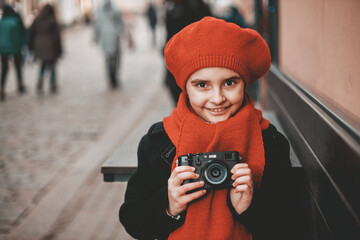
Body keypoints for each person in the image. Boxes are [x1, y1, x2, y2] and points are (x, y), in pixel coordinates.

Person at [119, 17, 303, 239]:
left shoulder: (269, 142)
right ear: (185, 88)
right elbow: (133, 220)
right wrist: (169, 205)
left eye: (229, 82)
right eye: (202, 85)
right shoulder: (159, 142)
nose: (217, 98)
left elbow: (291, 226)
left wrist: (249, 207)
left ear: (245, 83)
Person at [163, 0, 212, 105]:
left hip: (194, 59)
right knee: (175, 90)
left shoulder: (197, 6)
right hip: (175, 58)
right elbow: (169, 33)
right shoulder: (170, 7)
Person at [29, 4, 62, 94]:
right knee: (52, 66)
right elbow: (57, 37)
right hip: (50, 46)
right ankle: (53, 84)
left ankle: (40, 83)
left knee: (43, 65)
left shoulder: (37, 19)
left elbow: (31, 32)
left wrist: (32, 47)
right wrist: (59, 50)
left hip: (39, 45)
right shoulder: (52, 20)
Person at [94, 0, 127, 89]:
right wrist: (123, 33)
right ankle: (113, 78)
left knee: (109, 60)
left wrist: (96, 38)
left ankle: (111, 78)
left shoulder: (100, 12)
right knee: (115, 60)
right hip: (114, 39)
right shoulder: (114, 11)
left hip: (107, 40)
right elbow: (120, 24)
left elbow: (97, 26)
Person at [0, 4, 26, 101]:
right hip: (15, 48)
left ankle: (2, 87)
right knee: (18, 67)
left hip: (3, 49)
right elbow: (19, 36)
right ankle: (20, 85)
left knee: (4, 69)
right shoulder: (15, 21)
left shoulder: (1, 22)